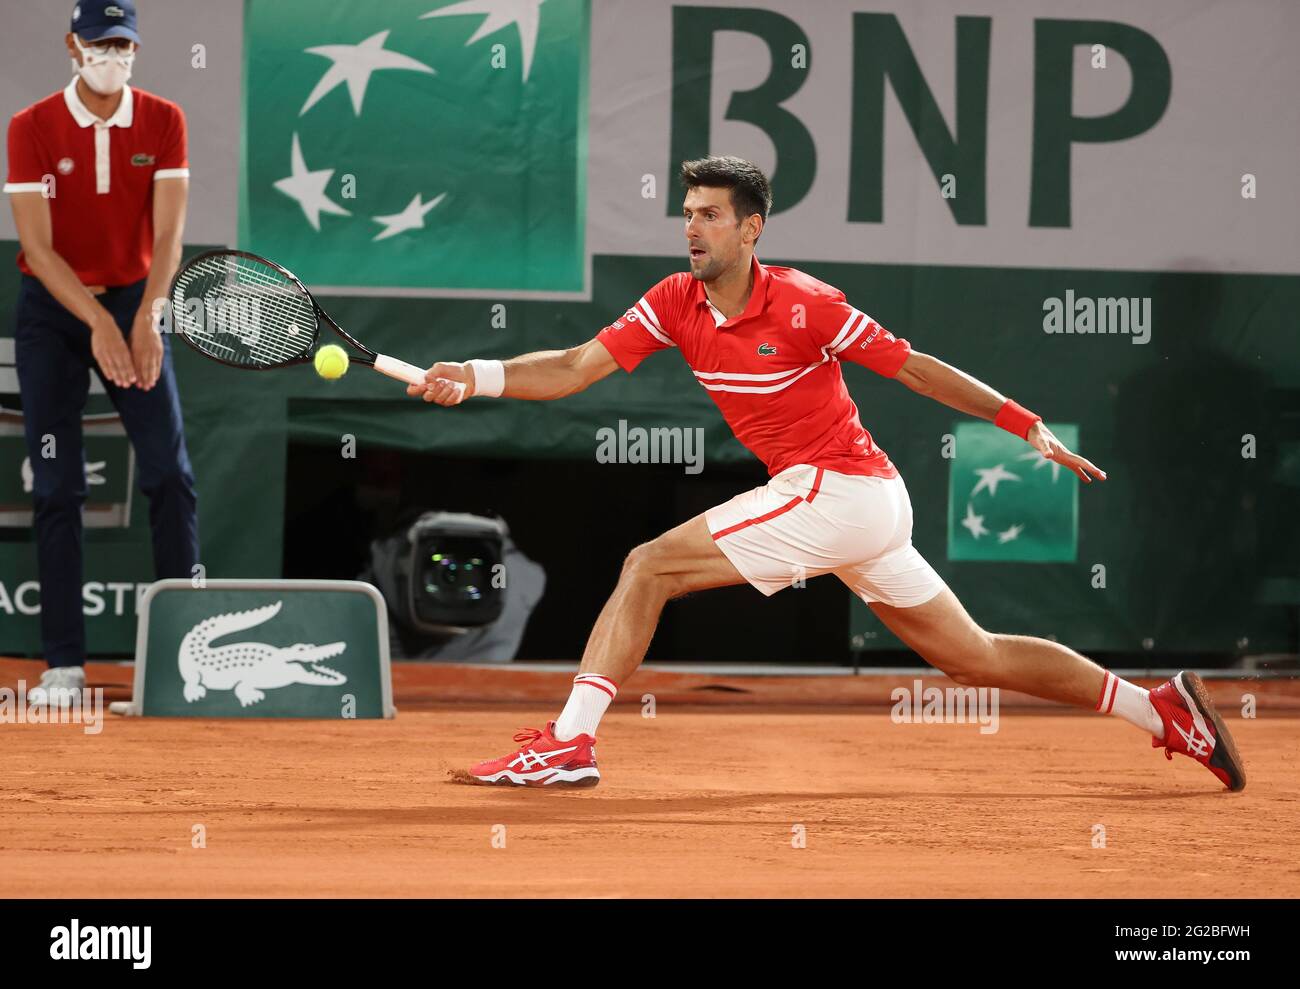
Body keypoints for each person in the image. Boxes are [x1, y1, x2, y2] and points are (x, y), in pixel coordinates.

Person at [409, 156, 1245, 792]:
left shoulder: (807, 303)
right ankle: (1160, 707)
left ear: (751, 229)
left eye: (709, 216)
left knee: (648, 565)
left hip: (840, 488)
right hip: (858, 506)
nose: (692, 230)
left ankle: (571, 741)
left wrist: (1023, 424)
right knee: (974, 657)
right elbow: (571, 366)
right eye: (687, 215)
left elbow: (913, 367)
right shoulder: (673, 300)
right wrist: (474, 374)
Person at [4, 0, 198, 707]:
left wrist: (146, 314)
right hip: (53, 311)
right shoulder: (29, 127)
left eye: (123, 44)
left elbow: (170, 239)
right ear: (73, 47)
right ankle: (63, 665)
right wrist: (96, 322)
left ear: (136, 50)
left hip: (135, 302)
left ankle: (181, 664)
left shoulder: (164, 120)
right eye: (99, 43)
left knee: (169, 476)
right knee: (57, 487)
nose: (111, 55)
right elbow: (38, 248)